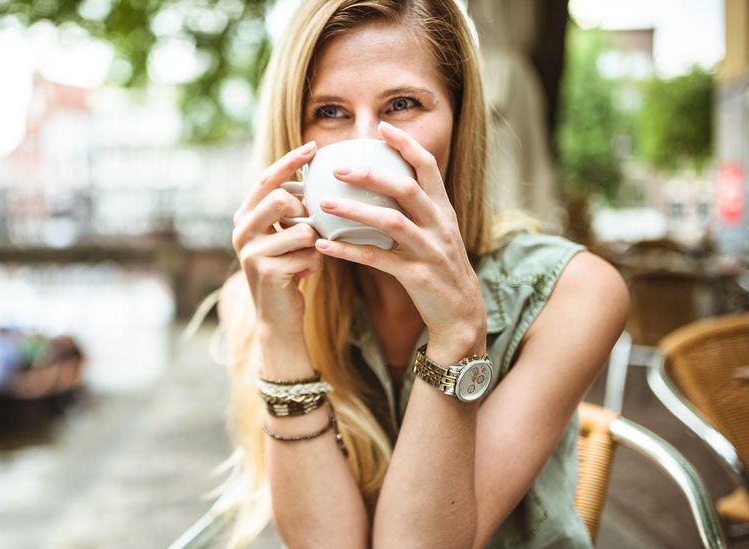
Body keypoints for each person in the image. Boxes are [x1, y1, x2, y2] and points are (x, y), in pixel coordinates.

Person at [215, 1, 629, 548]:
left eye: (403, 104)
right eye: (330, 112)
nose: (365, 146)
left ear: (460, 117)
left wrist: (458, 335)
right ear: (294, 136)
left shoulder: (573, 293)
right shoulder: (257, 299)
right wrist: (280, 335)